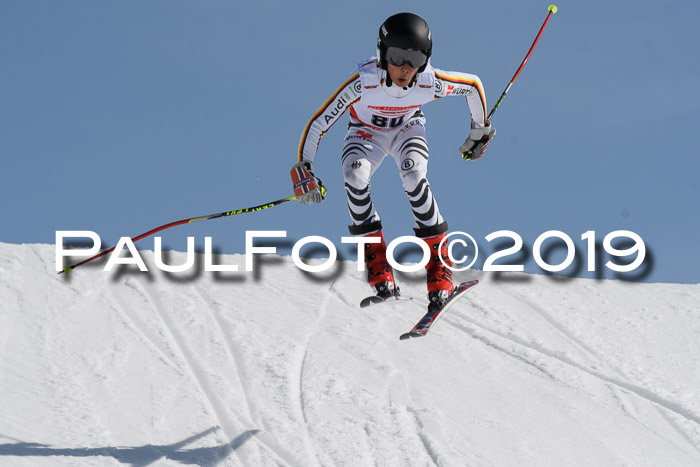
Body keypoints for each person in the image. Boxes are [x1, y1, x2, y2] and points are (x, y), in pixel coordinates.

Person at [290, 12, 494, 312]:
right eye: (397, 56)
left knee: (414, 178)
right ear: (382, 54)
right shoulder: (363, 82)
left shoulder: (429, 82)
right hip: (365, 132)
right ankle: (376, 260)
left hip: (407, 128)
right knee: (354, 177)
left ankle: (439, 262)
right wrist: (304, 168)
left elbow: (473, 86)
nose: (405, 68)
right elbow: (319, 122)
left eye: (415, 58)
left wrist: (479, 130)